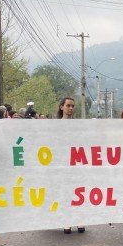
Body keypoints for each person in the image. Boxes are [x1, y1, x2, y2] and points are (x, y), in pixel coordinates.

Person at [57, 96, 84, 233]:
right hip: (62, 164)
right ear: (62, 107)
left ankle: (79, 219)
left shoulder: (78, 125)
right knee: (65, 192)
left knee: (78, 191)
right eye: (68, 106)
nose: (71, 108)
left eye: (73, 106)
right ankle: (66, 220)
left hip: (76, 163)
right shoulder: (54, 126)